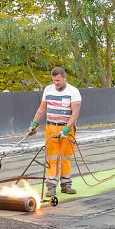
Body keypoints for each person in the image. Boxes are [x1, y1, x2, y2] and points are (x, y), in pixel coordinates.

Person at [28, 67, 81, 197]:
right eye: (53, 80)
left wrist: (66, 129)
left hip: (66, 128)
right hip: (51, 128)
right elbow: (41, 109)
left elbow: (75, 114)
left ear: (64, 78)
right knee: (52, 158)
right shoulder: (48, 89)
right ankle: (51, 187)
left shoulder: (73, 92)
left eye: (58, 80)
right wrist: (33, 124)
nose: (55, 83)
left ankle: (66, 185)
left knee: (66, 157)